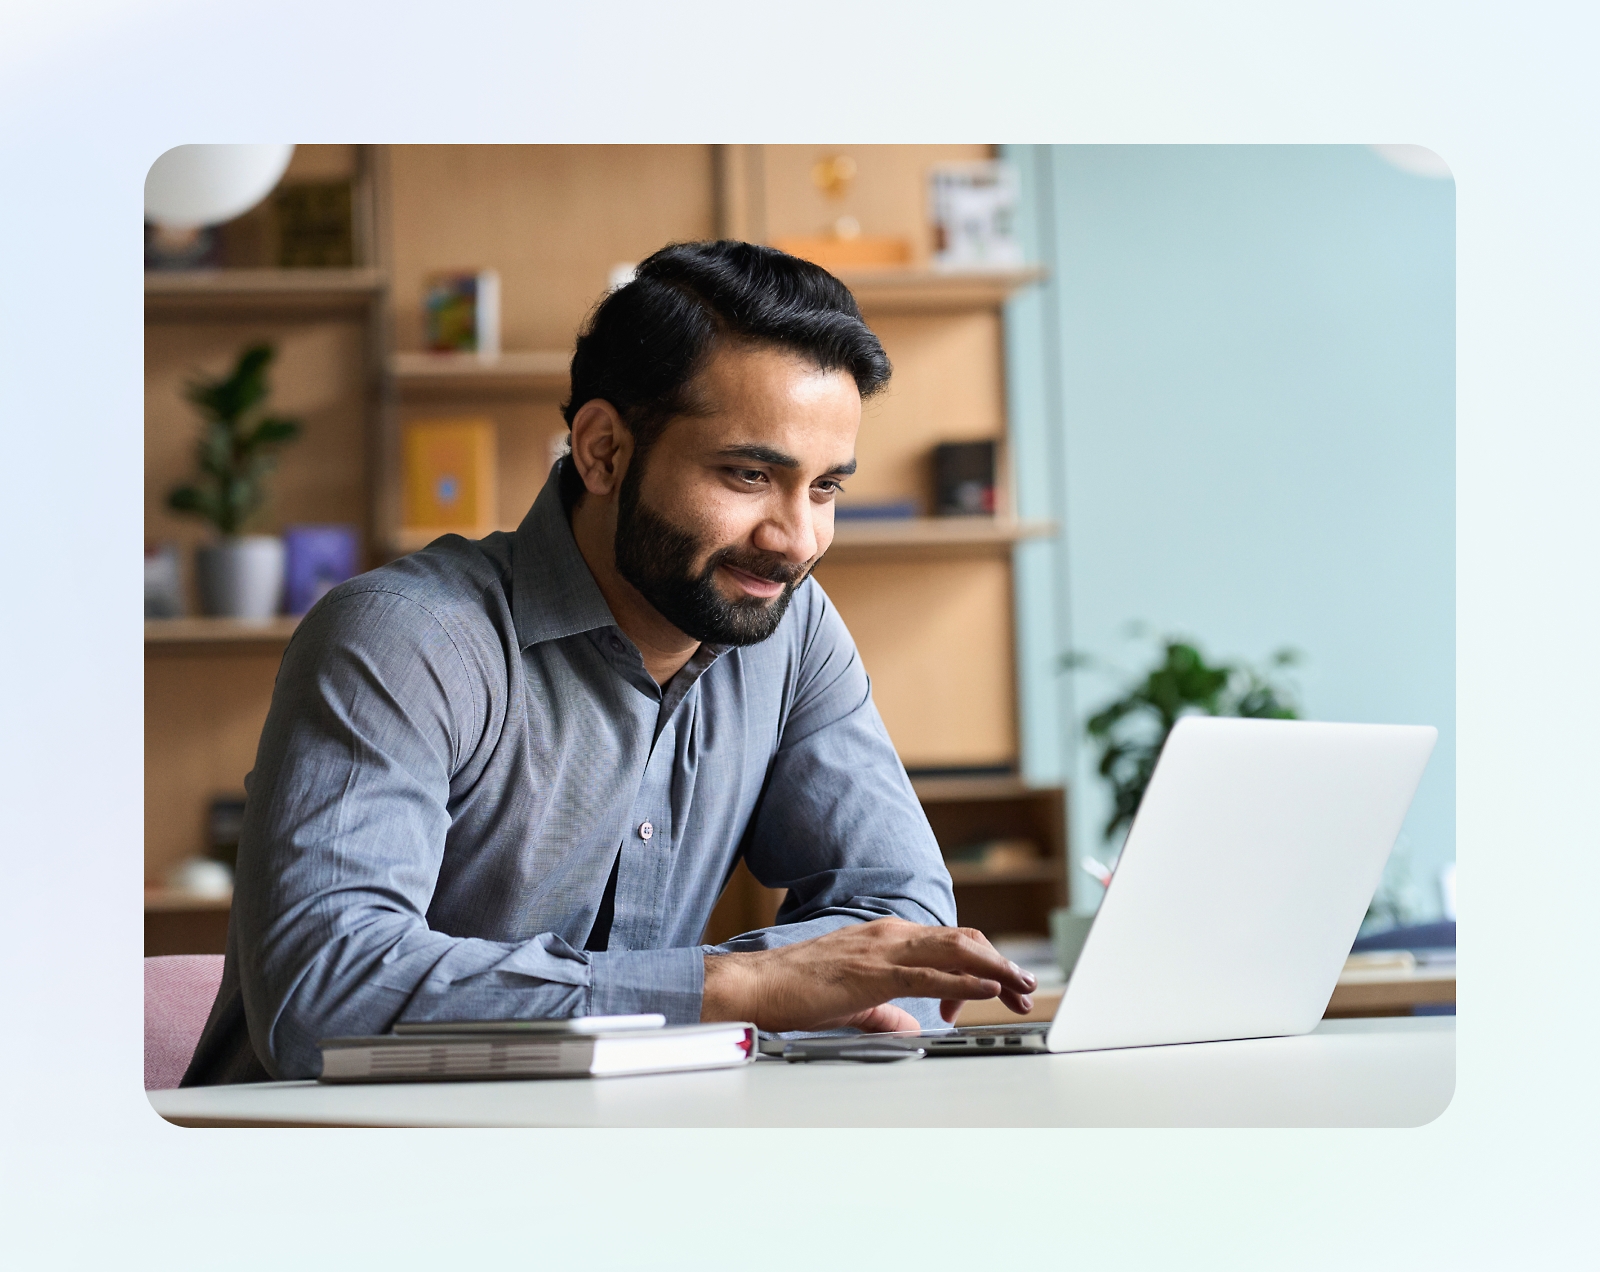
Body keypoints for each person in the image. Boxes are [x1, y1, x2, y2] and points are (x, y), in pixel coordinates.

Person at [184, 240, 1036, 1085]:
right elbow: (325, 997)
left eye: (824, 489)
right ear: (602, 451)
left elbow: (907, 922)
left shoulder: (792, 629)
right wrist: (737, 988)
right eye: (747, 475)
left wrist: (784, 989)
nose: (796, 540)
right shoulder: (403, 639)